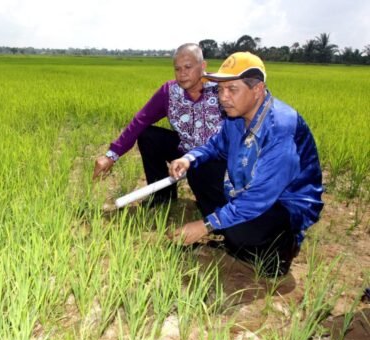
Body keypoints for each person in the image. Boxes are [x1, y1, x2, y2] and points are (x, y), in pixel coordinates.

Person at [168, 52, 323, 276]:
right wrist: (188, 158)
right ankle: (232, 234)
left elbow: (259, 198)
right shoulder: (236, 116)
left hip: (282, 205)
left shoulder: (280, 128)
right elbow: (214, 146)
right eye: (220, 89)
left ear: (257, 89)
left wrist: (204, 226)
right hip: (247, 189)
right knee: (199, 170)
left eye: (232, 89)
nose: (223, 97)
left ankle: (279, 251)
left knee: (241, 230)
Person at [92, 43, 224, 206]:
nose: (182, 74)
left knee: (213, 207)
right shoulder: (170, 92)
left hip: (215, 157)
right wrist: (111, 156)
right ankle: (163, 197)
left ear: (203, 66)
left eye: (188, 67)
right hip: (185, 150)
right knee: (148, 136)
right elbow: (141, 120)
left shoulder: (222, 89)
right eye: (177, 69)